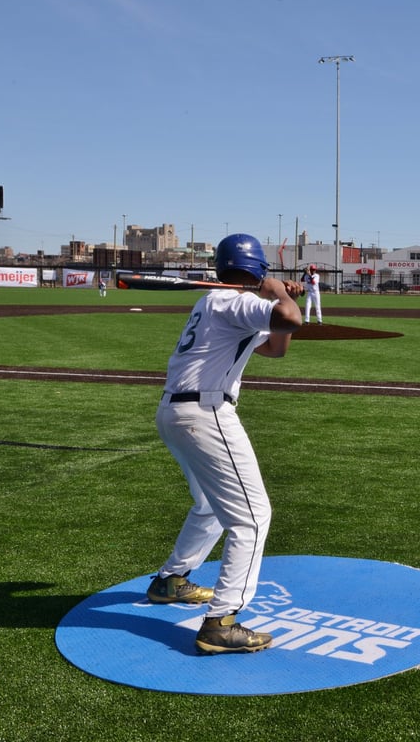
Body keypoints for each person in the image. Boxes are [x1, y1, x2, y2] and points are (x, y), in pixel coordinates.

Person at [147, 233, 304, 654]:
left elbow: (275, 347)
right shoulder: (235, 301)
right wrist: (275, 294)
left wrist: (277, 301)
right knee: (252, 519)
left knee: (210, 506)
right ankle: (221, 621)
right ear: (259, 270)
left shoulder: (213, 302)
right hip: (206, 414)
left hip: (174, 411)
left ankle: (170, 581)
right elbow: (291, 320)